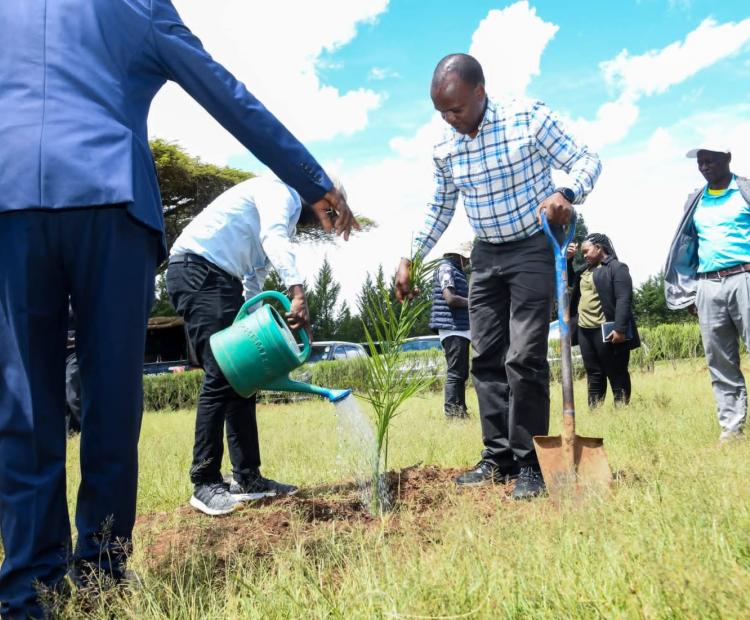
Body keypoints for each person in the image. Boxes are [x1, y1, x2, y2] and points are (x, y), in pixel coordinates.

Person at [0, 2, 356, 616]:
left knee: (25, 402)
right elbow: (222, 90)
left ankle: (28, 588)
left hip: (8, 202)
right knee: (110, 396)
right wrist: (311, 178)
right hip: (110, 200)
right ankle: (102, 572)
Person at [395, 53, 601, 500]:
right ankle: (498, 456)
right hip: (486, 254)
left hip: (532, 246)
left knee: (523, 355)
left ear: (479, 92)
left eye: (456, 109)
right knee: (486, 356)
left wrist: (567, 193)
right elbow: (439, 206)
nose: (450, 120)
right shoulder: (445, 148)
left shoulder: (528, 118)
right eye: (441, 113)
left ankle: (531, 462)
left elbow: (588, 159)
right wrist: (411, 255)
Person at [167, 175, 353, 516]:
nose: (326, 216)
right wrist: (297, 291)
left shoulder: (286, 211)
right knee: (222, 373)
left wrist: (253, 326)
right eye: (329, 207)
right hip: (198, 271)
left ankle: (248, 478)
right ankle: (205, 481)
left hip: (219, 277)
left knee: (244, 374)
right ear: (317, 192)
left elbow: (254, 277)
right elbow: (272, 239)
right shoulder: (280, 190)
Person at [665, 145, 750, 443]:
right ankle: (732, 430)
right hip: (707, 285)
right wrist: (691, 291)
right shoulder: (694, 201)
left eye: (710, 160)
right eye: (700, 162)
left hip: (745, 276)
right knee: (719, 360)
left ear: (728, 158)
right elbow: (688, 248)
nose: (704, 166)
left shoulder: (744, 191)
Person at [567, 234, 640, 407]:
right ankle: (596, 413)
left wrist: (620, 328)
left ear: (599, 248)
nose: (583, 255)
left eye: (587, 251)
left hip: (607, 330)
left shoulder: (617, 268)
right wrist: (568, 260)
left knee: (616, 372)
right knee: (593, 374)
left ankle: (621, 412)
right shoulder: (584, 271)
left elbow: (624, 298)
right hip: (585, 330)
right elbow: (569, 280)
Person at [429, 244, 472, 419]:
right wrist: (474, 302)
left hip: (459, 327)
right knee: (455, 373)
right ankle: (452, 414)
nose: (468, 261)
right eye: (467, 258)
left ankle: (461, 411)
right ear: (459, 256)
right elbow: (450, 298)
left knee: (462, 372)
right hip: (452, 328)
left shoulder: (455, 269)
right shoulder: (446, 268)